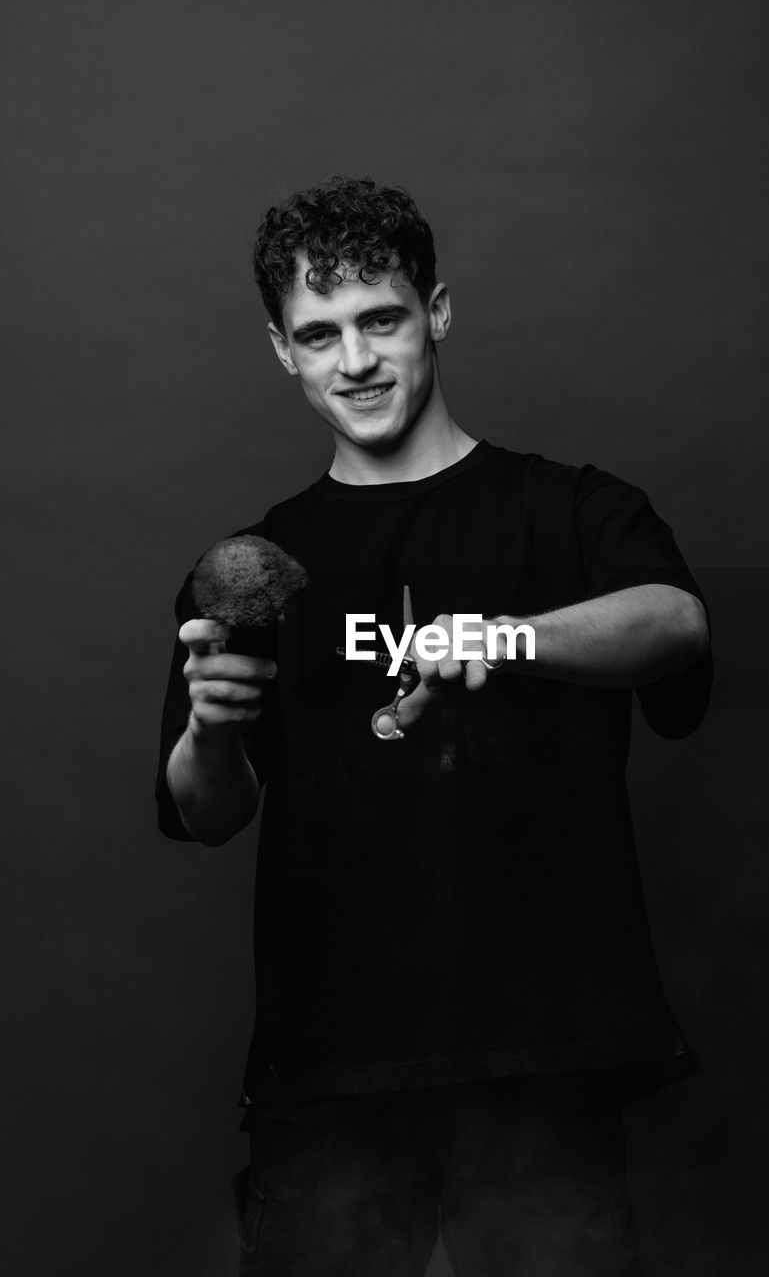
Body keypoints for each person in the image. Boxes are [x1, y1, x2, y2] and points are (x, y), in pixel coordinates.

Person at [156, 175, 712, 1276]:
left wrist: (505, 637)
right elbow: (207, 812)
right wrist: (211, 732)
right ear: (282, 350)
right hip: (327, 1066)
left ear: (437, 312)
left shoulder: (568, 509)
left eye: (381, 319)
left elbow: (674, 624)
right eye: (318, 335)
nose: (354, 361)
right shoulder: (248, 569)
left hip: (539, 1050)